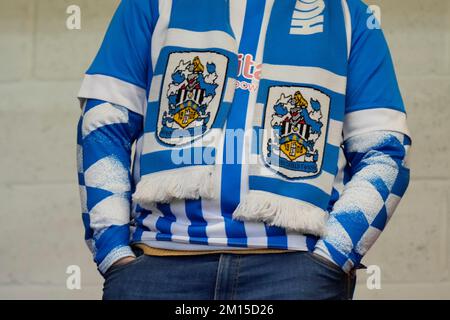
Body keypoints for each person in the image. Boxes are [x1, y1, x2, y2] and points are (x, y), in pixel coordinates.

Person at [77, 0, 411, 300]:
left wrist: (333, 256)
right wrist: (113, 252)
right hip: (160, 261)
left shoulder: (350, 14)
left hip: (296, 271)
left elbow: (384, 152)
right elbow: (104, 122)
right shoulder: (151, 3)